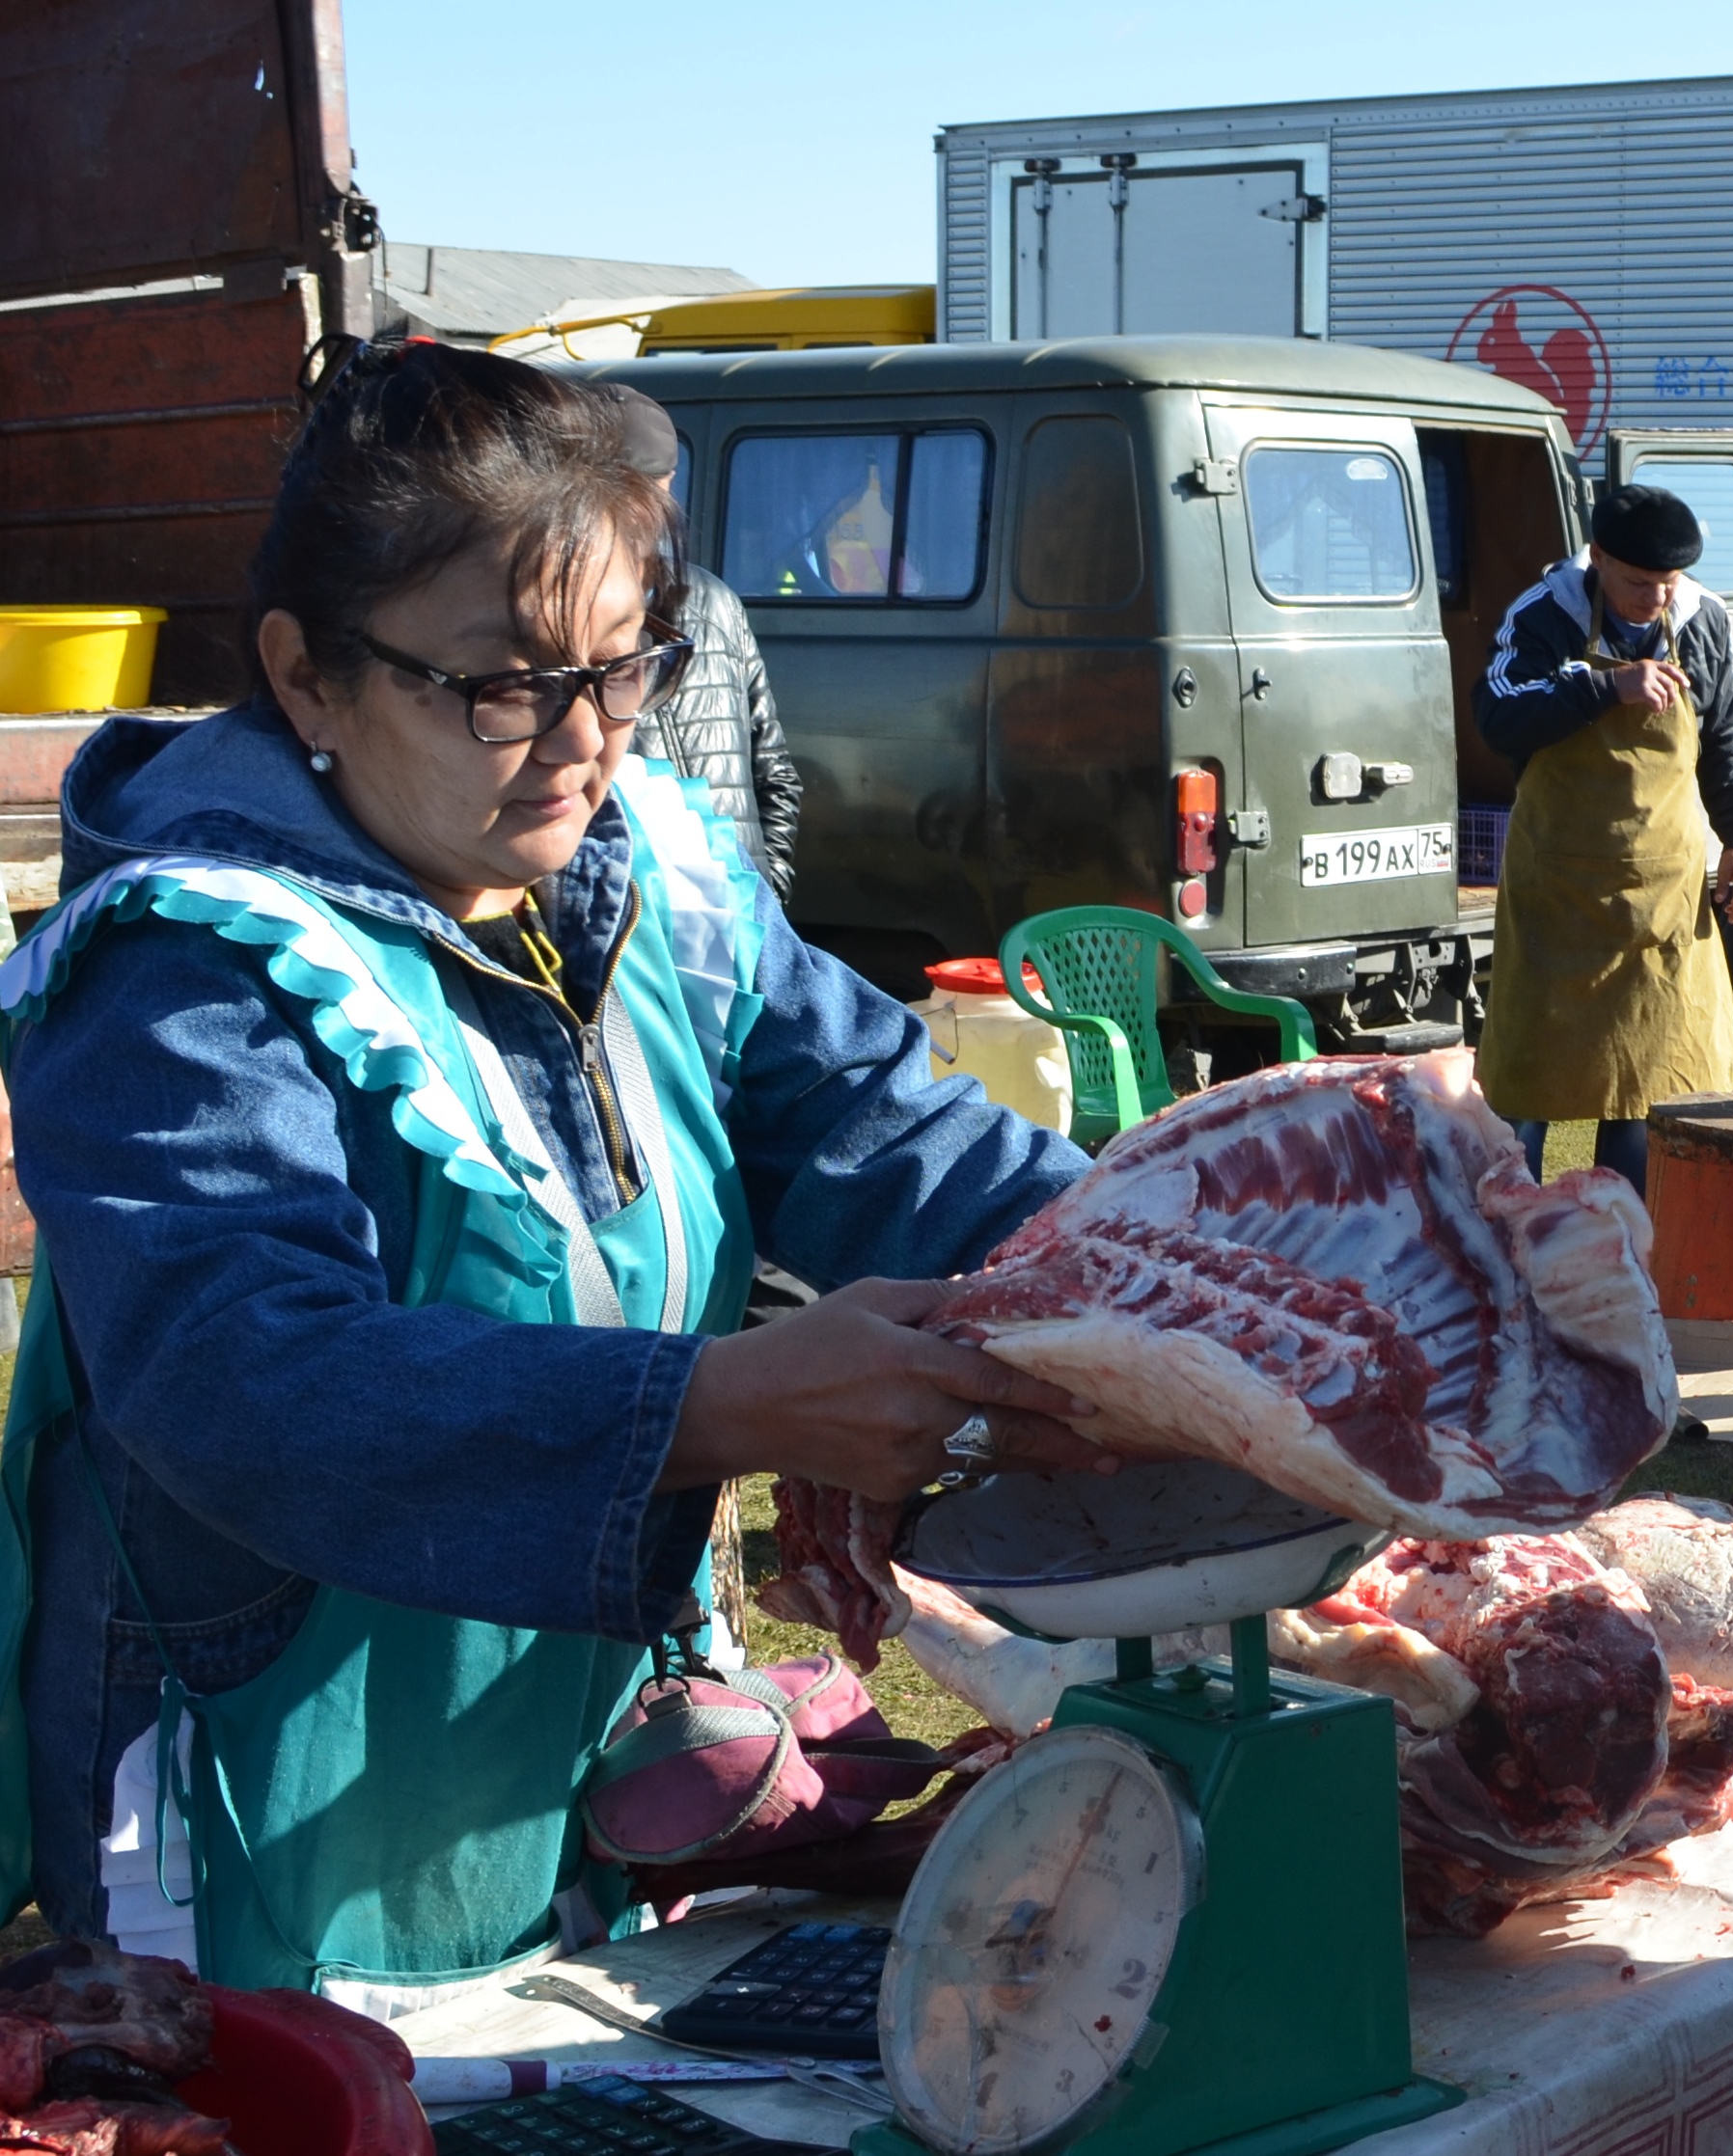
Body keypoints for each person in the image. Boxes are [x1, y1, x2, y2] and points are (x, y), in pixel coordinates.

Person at [0, 341, 1109, 2000]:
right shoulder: (184, 966)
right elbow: (242, 1375)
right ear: (307, 678)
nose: (583, 743)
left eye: (622, 668)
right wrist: (717, 1409)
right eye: (501, 687)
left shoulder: (647, 872)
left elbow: (892, 1128)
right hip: (263, 1769)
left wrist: (1176, 1265)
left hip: (568, 1728)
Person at [1474, 483, 1733, 1191]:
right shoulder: (1543, 615)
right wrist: (1604, 688)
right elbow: (1498, 715)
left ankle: (1624, 1252)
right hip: (1557, 898)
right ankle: (1508, 1248)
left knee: (1648, 1082)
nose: (1655, 598)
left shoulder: (1703, 620)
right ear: (1596, 556)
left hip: (1660, 896)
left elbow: (1725, 735)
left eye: (1667, 583)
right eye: (1638, 583)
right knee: (1523, 1088)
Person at [604, 386, 804, 900]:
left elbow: (776, 772)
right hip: (648, 921)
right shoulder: (568, 617)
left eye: (654, 488)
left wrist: (764, 891)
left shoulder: (715, 601)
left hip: (737, 913)